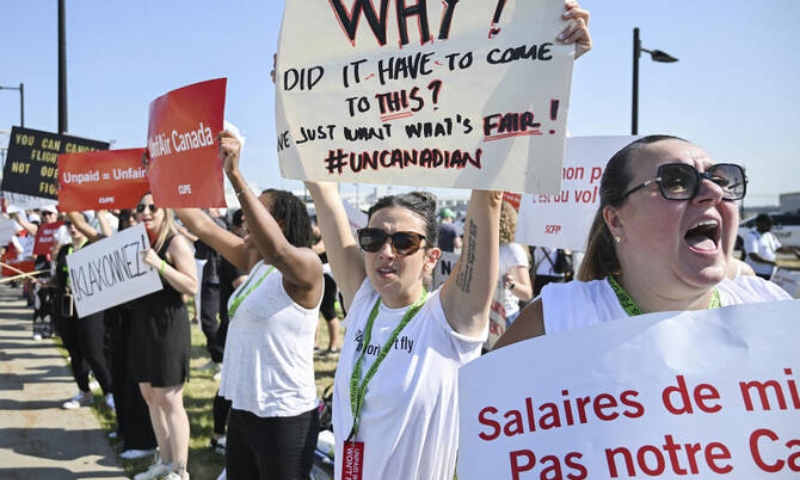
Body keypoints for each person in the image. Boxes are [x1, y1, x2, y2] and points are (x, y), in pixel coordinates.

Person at [495, 135, 792, 350]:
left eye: (722, 180)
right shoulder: (558, 320)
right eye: (676, 181)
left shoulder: (770, 305)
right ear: (616, 220)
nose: (714, 190)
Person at [176, 129, 323, 480]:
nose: (243, 217)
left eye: (253, 210)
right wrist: (162, 176)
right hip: (244, 409)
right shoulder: (255, 263)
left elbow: (278, 250)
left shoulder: (304, 267)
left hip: (285, 417)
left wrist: (235, 175)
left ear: (278, 223)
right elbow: (199, 223)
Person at [129, 194, 197, 480]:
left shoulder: (175, 242)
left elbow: (192, 286)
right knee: (150, 396)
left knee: (170, 399)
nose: (146, 212)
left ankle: (181, 470)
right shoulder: (141, 242)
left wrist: (160, 265)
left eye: (152, 207)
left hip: (169, 326)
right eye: (141, 207)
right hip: (144, 325)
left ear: (166, 210)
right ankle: (166, 461)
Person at [47, 214, 114, 410]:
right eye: (69, 223)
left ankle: (110, 391)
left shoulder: (93, 246)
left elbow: (110, 244)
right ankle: (84, 392)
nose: (72, 227)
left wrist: (101, 214)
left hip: (91, 306)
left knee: (94, 351)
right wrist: (46, 283)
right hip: (66, 306)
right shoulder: (65, 250)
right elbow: (58, 279)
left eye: (76, 222)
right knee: (74, 350)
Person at [496, 201, 533, 326]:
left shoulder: (513, 250)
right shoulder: (487, 246)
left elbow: (527, 294)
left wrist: (511, 284)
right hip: (487, 316)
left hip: (506, 317)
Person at [311, 221, 341, 354]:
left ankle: (333, 346)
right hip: (317, 276)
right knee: (314, 313)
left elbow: (318, 249)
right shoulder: (314, 238)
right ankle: (314, 344)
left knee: (329, 312)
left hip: (328, 277)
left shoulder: (327, 237)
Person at [743, 213, 800, 280]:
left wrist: (794, 251)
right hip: (756, 273)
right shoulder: (751, 236)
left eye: (771, 224)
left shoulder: (769, 235)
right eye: (768, 224)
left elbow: (779, 248)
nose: (771, 226)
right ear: (759, 223)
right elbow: (753, 256)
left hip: (769, 273)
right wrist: (770, 262)